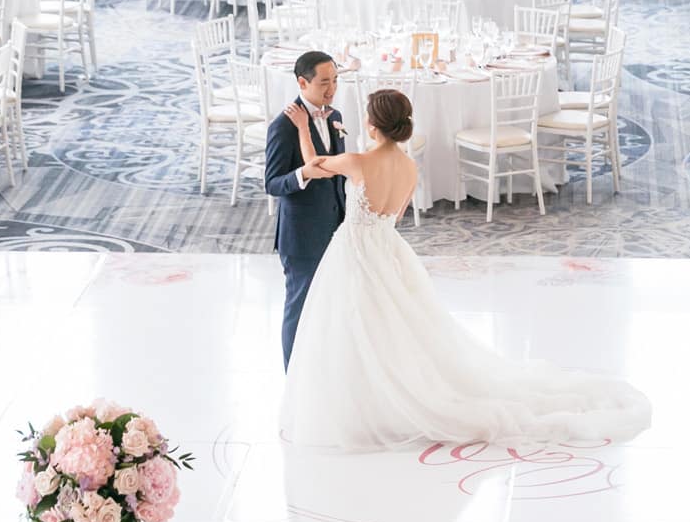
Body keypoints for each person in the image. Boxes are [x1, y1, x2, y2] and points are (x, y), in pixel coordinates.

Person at [280, 88, 652, 451]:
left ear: (374, 125)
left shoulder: (358, 162)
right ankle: (386, 396)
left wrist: (301, 128)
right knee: (396, 326)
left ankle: (363, 401)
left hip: (356, 251)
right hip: (389, 249)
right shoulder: (409, 167)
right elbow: (393, 215)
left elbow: (312, 167)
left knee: (354, 323)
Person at [264, 50, 346, 368]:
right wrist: (303, 174)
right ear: (302, 82)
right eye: (325, 82)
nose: (332, 88)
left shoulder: (335, 116)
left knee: (327, 305)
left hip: (334, 226)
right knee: (299, 308)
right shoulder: (283, 126)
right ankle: (294, 379)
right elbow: (272, 183)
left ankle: (319, 373)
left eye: (336, 80)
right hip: (301, 234)